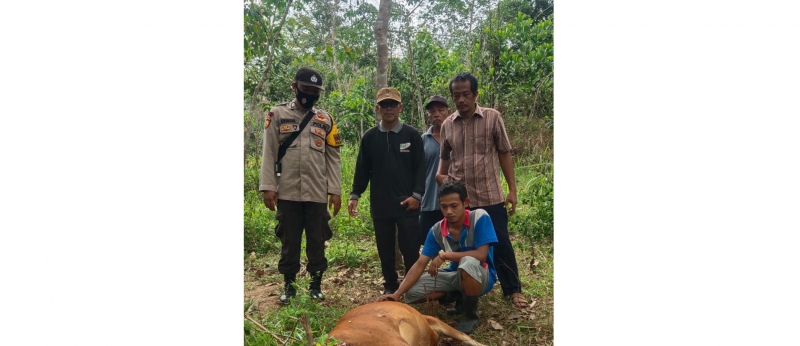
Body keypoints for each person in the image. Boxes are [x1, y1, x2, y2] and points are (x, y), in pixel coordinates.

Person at [435, 72, 528, 308]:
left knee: (501, 242)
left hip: (489, 195)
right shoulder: (447, 125)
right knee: (463, 245)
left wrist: (512, 190)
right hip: (461, 200)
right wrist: (441, 178)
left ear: (475, 94)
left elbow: (504, 153)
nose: (461, 100)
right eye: (456, 95)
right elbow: (444, 159)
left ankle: (513, 289)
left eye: (466, 94)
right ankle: (463, 288)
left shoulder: (492, 118)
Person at [259, 66, 342, 305]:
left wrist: (335, 190)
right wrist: (268, 186)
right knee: (289, 240)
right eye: (305, 89)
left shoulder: (326, 119)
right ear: (294, 87)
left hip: (317, 193)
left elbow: (333, 157)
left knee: (317, 240)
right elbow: (269, 152)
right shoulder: (277, 114)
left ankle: (315, 284)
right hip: (287, 191)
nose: (310, 94)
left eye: (315, 91)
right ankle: (290, 286)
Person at [378, 180, 498, 335]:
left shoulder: (480, 217)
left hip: (482, 276)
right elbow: (420, 264)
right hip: (454, 276)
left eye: (454, 206)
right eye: (444, 206)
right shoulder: (436, 230)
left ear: (465, 203)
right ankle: (456, 294)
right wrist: (397, 294)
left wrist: (446, 255)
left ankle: (469, 315)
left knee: (467, 262)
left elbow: (481, 255)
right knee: (411, 293)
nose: (449, 211)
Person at [348, 87, 426, 295]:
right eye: (384, 105)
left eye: (392, 104)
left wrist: (417, 195)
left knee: (410, 248)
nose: (388, 108)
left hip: (407, 203)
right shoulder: (370, 137)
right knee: (385, 248)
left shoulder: (412, 135)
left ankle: (412, 287)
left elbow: (421, 168)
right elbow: (362, 168)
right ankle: (390, 285)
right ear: (377, 108)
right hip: (381, 203)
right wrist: (355, 194)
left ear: (400, 107)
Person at [418, 96, 449, 245]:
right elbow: (416, 171)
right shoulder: (422, 140)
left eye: (440, 110)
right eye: (432, 111)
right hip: (429, 202)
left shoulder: (457, 136)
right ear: (429, 116)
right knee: (427, 245)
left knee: (457, 244)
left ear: (448, 112)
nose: (436, 114)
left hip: (453, 202)